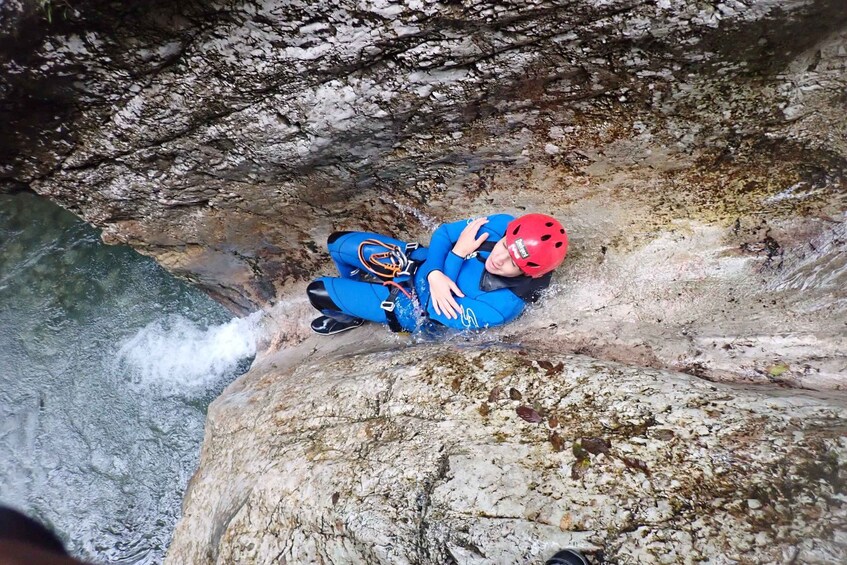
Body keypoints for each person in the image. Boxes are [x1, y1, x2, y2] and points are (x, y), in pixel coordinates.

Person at [307, 213, 568, 335]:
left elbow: (435, 308)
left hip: (409, 305)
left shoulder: (500, 306)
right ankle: (355, 297)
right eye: (503, 247)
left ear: (528, 274)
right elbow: (444, 233)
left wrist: (455, 257)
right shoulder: (503, 224)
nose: (499, 258)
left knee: (318, 291)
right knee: (337, 244)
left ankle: (350, 317)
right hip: (417, 262)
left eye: (512, 262)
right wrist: (434, 272)